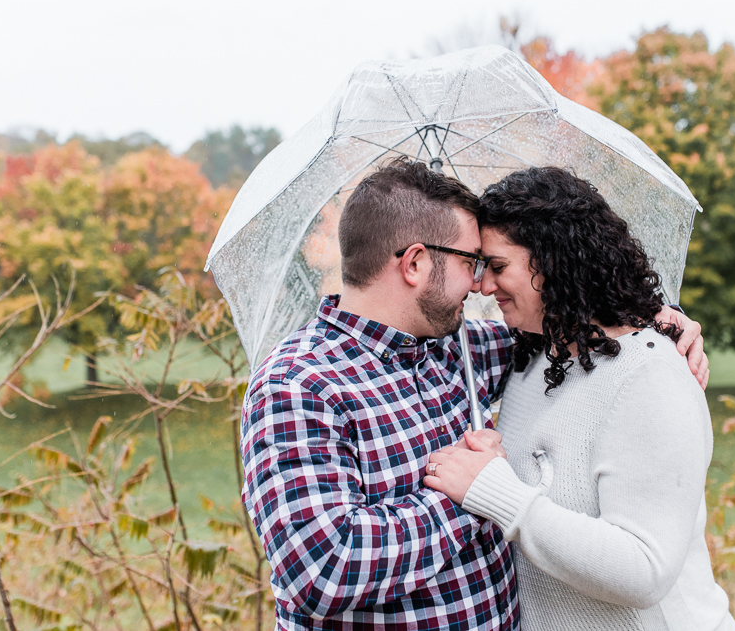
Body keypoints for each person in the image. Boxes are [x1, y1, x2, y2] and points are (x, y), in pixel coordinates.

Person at [240, 159, 708, 630]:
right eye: (471, 262)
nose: (480, 283)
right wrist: (474, 495)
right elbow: (321, 572)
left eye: (491, 265)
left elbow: (580, 325)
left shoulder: (461, 350)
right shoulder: (299, 385)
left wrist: (662, 318)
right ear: (416, 263)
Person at [424, 167, 735, 630]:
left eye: (497, 266)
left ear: (553, 261)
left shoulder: (650, 377)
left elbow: (644, 571)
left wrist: (495, 491)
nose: (482, 286)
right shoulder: (531, 356)